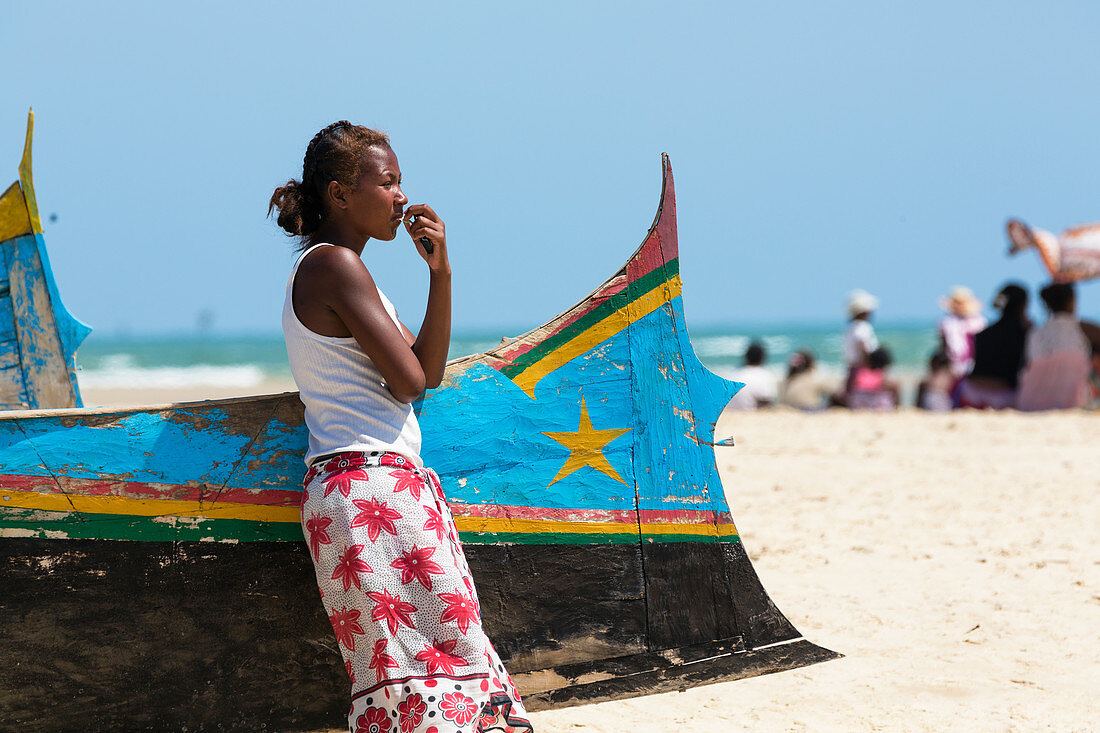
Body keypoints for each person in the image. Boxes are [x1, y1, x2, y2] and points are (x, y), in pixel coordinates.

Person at [270, 122, 531, 733]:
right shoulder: (335, 266)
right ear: (339, 194)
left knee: (413, 678)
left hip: (367, 491)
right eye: (387, 183)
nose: (401, 198)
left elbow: (426, 373)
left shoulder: (342, 270)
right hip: (371, 492)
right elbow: (410, 383)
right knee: (447, 666)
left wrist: (440, 274)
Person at [1016, 283, 1091, 411]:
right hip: (1071, 400)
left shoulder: (1035, 332)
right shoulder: (1084, 328)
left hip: (1032, 400)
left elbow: (1024, 365)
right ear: (1072, 301)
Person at [957, 283, 1030, 409]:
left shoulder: (983, 333)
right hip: (1003, 395)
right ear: (1024, 305)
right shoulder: (1025, 334)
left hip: (970, 391)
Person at [937, 286, 987, 379]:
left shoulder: (978, 321)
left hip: (973, 364)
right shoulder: (946, 322)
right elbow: (944, 345)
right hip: (953, 365)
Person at [841, 290, 879, 402]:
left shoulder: (850, 328)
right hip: (862, 370)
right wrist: (871, 367)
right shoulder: (863, 327)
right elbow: (863, 347)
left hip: (852, 369)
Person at [727, 340, 779, 409]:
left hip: (732, 410)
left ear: (746, 357)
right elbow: (768, 400)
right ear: (762, 357)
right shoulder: (764, 375)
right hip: (750, 412)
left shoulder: (734, 373)